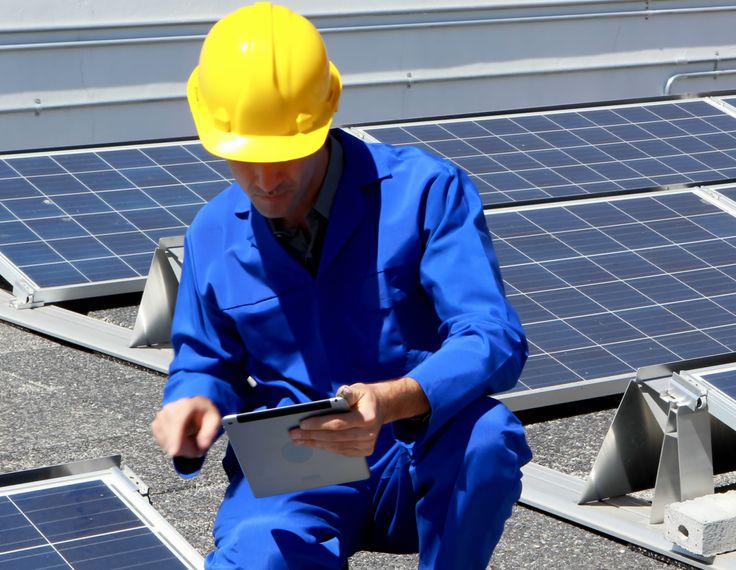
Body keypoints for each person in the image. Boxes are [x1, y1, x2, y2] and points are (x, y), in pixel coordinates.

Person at [149, 3, 532, 568]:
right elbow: (206, 357)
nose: (265, 179)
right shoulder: (212, 233)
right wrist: (192, 401)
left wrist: (392, 399)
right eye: (245, 158)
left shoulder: (426, 191)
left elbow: (492, 337)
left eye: (285, 153)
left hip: (414, 451)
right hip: (298, 468)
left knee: (487, 438)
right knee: (256, 557)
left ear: (324, 119)